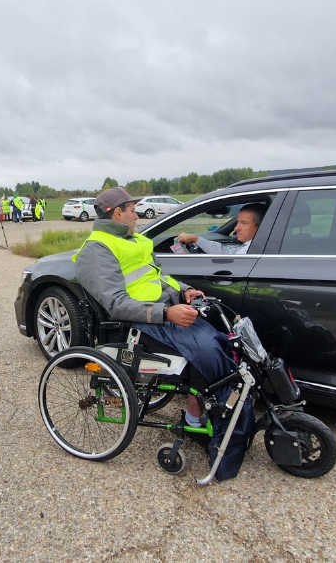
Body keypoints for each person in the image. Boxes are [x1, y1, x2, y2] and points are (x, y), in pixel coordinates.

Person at [73, 187, 254, 481]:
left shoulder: (133, 242)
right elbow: (117, 304)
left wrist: (184, 290)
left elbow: (157, 277)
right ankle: (221, 428)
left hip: (160, 317)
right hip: (136, 327)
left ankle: (202, 418)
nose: (136, 213)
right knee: (207, 351)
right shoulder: (97, 249)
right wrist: (166, 313)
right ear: (117, 213)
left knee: (221, 341)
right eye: (132, 209)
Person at [176, 203, 266, 254]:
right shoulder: (253, 247)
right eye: (237, 222)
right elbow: (224, 252)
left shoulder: (251, 251)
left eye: (244, 223)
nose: (236, 228)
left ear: (261, 227)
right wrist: (195, 239)